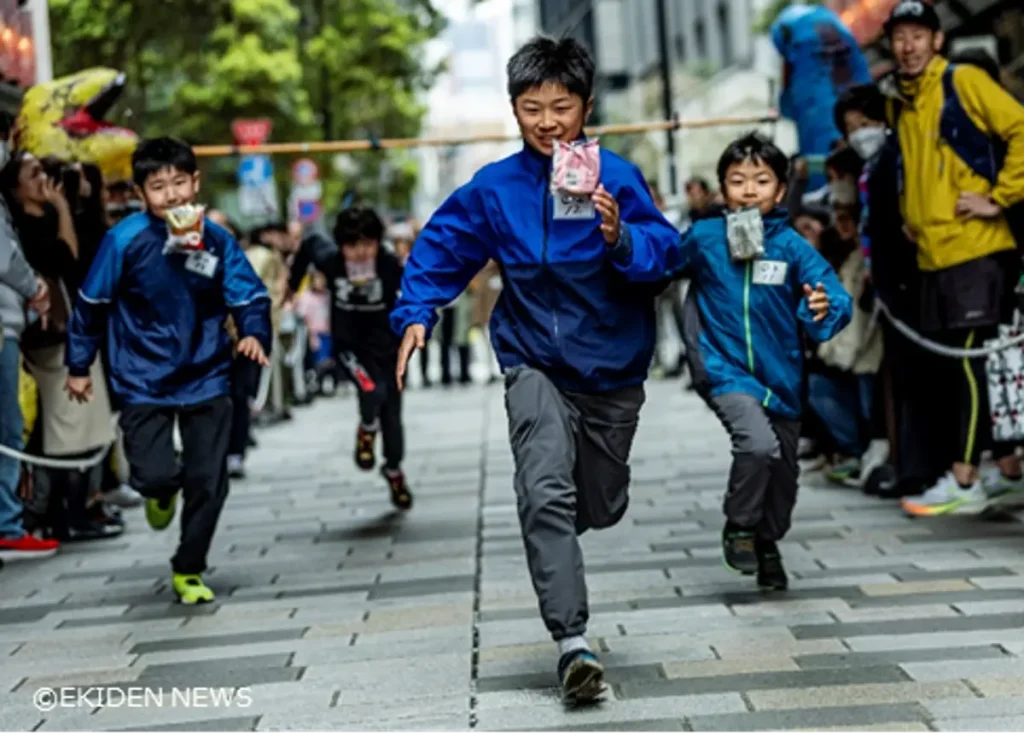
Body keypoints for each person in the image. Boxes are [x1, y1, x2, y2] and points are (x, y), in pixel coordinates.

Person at [391, 36, 679, 702]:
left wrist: (621, 237)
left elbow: (667, 254)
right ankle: (572, 645)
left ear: (584, 105)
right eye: (531, 108)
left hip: (611, 371)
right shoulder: (496, 189)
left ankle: (570, 520)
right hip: (533, 363)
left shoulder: (619, 176)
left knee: (598, 505)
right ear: (514, 110)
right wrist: (416, 313)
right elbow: (442, 246)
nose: (548, 121)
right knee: (542, 489)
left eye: (561, 106)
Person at [64, 136, 272, 604]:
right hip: (141, 378)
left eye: (180, 182)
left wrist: (253, 330)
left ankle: (189, 567)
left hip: (208, 372)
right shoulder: (123, 240)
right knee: (154, 475)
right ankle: (160, 492)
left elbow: (249, 292)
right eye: (159, 187)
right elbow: (91, 304)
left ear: (195, 182)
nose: (173, 194)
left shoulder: (216, 239)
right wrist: (78, 364)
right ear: (142, 193)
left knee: (208, 480)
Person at [676, 133, 852, 590]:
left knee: (784, 478)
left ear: (779, 191)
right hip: (724, 369)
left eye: (761, 180)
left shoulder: (792, 246)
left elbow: (832, 292)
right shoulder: (704, 237)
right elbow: (654, 264)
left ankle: (766, 539)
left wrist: (823, 307)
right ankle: (739, 524)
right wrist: (620, 244)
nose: (749, 190)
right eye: (737, 180)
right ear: (722, 190)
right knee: (757, 446)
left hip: (783, 380)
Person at [879, 0, 1024, 515]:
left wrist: (1001, 196)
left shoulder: (961, 81)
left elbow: (1020, 127)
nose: (909, 45)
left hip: (976, 250)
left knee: (967, 363)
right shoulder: (902, 100)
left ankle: (964, 481)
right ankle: (997, 467)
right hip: (934, 256)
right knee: (956, 368)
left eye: (919, 34)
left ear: (937, 40)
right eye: (900, 36)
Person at [301, 206, 412, 508]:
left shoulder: (389, 265)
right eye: (352, 246)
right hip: (350, 348)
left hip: (388, 350)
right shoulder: (331, 261)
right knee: (370, 389)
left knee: (392, 417)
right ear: (341, 245)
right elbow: (309, 244)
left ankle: (393, 469)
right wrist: (290, 283)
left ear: (378, 242)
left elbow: (416, 289)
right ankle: (366, 428)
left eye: (368, 244)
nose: (361, 253)